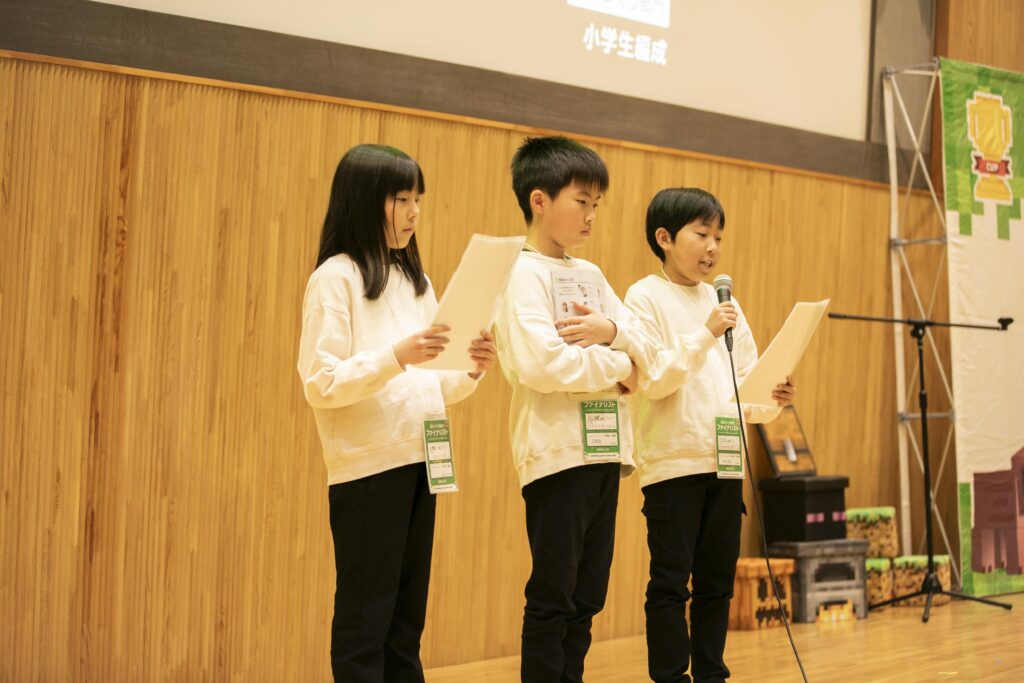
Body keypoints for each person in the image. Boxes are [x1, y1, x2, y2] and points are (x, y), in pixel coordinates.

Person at [297, 144, 496, 683]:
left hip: (422, 461)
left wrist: (471, 369)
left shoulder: (415, 281)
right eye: (401, 199)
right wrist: (396, 357)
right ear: (365, 200)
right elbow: (321, 382)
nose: (413, 213)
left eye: (418, 200)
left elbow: (435, 385)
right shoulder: (335, 278)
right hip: (367, 468)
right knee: (366, 621)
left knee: (406, 622)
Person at [492, 135, 651, 683]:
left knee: (587, 596)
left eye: (596, 204)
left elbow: (646, 346)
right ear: (539, 200)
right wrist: (620, 365)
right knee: (554, 595)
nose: (590, 216)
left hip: (606, 452)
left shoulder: (591, 275)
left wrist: (611, 333)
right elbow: (543, 364)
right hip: (557, 454)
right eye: (581, 201)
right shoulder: (520, 275)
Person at [624, 187, 794, 683]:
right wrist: (705, 332)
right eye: (701, 234)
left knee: (717, 584)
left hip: (725, 462)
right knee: (670, 584)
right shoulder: (644, 296)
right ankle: (670, 677)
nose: (712, 247)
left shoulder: (724, 302)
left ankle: (712, 675)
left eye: (718, 236)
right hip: (673, 464)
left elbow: (745, 385)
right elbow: (654, 378)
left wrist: (774, 394)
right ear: (664, 238)